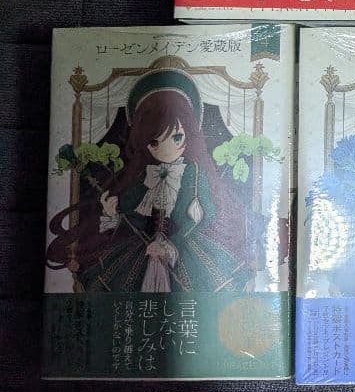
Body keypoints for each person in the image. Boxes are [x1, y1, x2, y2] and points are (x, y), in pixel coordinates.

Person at [47, 69, 251, 293]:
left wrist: (171, 245)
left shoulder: (192, 174)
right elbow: (129, 215)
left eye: (177, 137)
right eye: (154, 142)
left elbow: (207, 215)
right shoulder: (144, 174)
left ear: (189, 134)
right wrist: (111, 213)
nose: (167, 148)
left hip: (184, 246)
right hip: (141, 248)